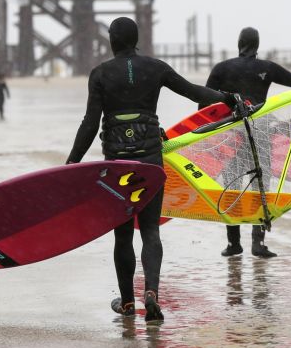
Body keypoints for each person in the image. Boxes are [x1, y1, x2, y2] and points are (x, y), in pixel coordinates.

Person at [66, 17, 236, 322]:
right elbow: (194, 93)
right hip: (150, 159)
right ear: (137, 39)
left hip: (118, 163)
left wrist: (71, 165)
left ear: (111, 41)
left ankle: (128, 302)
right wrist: (228, 99)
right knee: (150, 230)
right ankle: (152, 293)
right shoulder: (155, 68)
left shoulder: (100, 73)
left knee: (122, 235)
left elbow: (90, 124)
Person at [201, 27, 291, 258]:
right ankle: (258, 244)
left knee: (232, 187)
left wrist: (206, 135)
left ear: (239, 43)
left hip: (230, 135)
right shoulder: (266, 68)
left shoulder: (222, 68)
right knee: (261, 188)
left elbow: (203, 103)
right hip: (260, 133)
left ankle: (234, 244)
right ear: (257, 45)